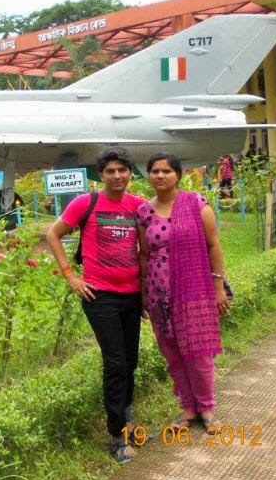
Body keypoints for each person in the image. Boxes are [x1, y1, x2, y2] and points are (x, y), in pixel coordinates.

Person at [46, 147, 145, 463]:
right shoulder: (85, 202)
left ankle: (127, 422)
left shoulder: (138, 206)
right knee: (115, 363)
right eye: (110, 171)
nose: (117, 176)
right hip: (99, 296)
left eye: (122, 170)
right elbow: (53, 234)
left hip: (132, 295)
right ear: (100, 175)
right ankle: (116, 436)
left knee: (130, 361)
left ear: (130, 173)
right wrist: (70, 276)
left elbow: (148, 246)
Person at [135, 152, 230, 434]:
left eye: (166, 171)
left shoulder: (197, 203)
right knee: (172, 352)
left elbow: (214, 246)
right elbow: (143, 254)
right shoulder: (143, 212)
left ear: (178, 175)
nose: (160, 175)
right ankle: (188, 408)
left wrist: (218, 286)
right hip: (159, 292)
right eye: (154, 171)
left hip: (194, 289)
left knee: (199, 352)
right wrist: (143, 293)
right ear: (148, 175)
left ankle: (207, 408)